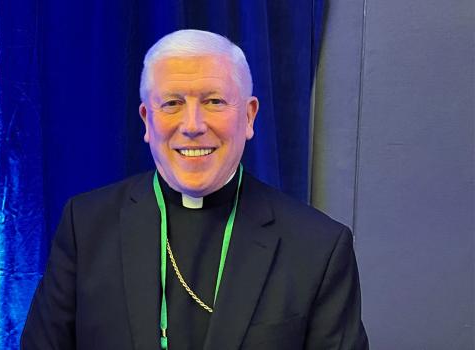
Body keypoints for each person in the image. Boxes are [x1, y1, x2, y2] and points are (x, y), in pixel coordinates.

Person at [21, 29, 369, 349]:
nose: (192, 126)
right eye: (171, 103)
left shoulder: (318, 247)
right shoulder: (86, 227)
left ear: (248, 117)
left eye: (214, 101)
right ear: (147, 120)